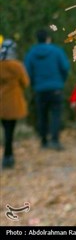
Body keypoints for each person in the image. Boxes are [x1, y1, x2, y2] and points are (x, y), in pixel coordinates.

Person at [24, 29, 70, 150]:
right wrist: (61, 81)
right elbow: (65, 67)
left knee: (42, 115)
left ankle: (44, 141)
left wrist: (34, 83)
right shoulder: (57, 51)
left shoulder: (31, 53)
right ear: (48, 38)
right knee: (56, 114)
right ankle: (55, 140)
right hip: (56, 88)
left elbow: (27, 71)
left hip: (40, 89)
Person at [0, 39, 30, 169]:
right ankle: (8, 156)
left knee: (5, 129)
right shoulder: (17, 66)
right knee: (10, 131)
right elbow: (25, 82)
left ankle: (7, 155)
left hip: (1, 102)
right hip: (14, 102)